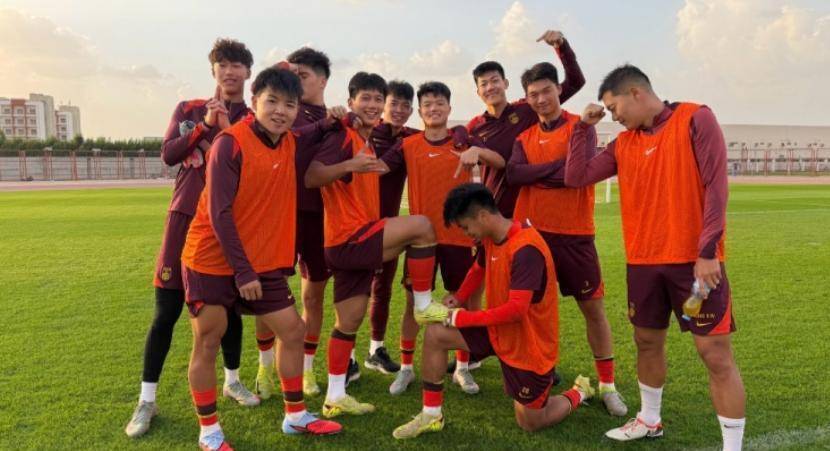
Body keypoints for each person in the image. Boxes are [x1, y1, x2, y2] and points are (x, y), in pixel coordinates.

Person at [566, 64, 744, 450]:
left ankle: (733, 446)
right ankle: (649, 420)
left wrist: (708, 252)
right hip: (643, 263)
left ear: (635, 93)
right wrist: (582, 129)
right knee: (646, 341)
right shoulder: (623, 143)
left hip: (694, 263)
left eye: (614, 108)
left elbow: (716, 186)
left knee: (714, 353)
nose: (613, 116)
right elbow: (575, 177)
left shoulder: (695, 118)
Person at [181, 67, 344, 449]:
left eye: (290, 104)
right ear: (254, 102)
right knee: (208, 340)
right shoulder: (229, 144)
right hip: (211, 259)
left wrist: (333, 119)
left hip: (260, 261)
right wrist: (243, 272)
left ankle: (295, 416)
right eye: (272, 101)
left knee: (293, 330)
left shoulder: (288, 140)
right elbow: (219, 213)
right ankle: (209, 431)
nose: (280, 111)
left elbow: (309, 131)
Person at [125, 38, 257, 439]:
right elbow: (168, 154)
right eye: (223, 64)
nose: (230, 71)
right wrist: (204, 125)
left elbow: (250, 166)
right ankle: (147, 400)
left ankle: (232, 380)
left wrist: (227, 129)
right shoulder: (189, 109)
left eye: (237, 65)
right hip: (184, 218)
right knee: (165, 312)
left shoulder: (253, 118)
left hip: (226, 224)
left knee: (228, 308)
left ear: (248, 72)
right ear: (213, 69)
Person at [392, 183, 594, 439]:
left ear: (483, 216)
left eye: (466, 227)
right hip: (497, 331)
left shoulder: (526, 250)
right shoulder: (491, 238)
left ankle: (579, 392)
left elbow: (516, 311)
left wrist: (460, 317)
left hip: (528, 345)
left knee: (531, 422)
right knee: (435, 334)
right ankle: (431, 415)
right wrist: (459, 297)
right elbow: (479, 268)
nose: (466, 234)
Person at [304, 72, 447, 418]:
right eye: (365, 98)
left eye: (377, 99)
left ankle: (335, 396)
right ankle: (423, 305)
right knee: (422, 227)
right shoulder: (342, 135)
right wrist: (350, 164)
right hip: (350, 236)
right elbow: (311, 176)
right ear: (351, 102)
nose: (372, 104)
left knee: (348, 322)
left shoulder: (366, 139)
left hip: (351, 242)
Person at [506, 62, 627, 416]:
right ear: (526, 98)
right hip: (533, 238)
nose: (541, 99)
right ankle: (541, 374)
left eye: (546, 90)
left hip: (575, 235)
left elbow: (579, 174)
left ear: (559, 89)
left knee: (593, 310)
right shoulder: (524, 138)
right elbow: (514, 174)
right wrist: (557, 170)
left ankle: (607, 386)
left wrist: (540, 175)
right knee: (531, 312)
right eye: (533, 94)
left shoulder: (581, 127)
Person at [377, 81, 504, 395]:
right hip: (421, 241)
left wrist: (478, 150)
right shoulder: (408, 145)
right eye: (427, 104)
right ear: (420, 111)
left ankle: (462, 367)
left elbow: (500, 162)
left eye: (439, 103)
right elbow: (378, 167)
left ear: (449, 108)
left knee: (462, 302)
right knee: (412, 304)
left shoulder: (464, 141)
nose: (433, 109)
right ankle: (406, 368)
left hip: (459, 238)